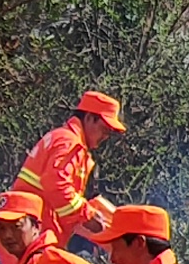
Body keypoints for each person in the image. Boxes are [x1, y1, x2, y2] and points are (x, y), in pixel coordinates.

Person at [9, 90, 127, 245]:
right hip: (28, 232)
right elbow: (56, 185)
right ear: (89, 118)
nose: (105, 137)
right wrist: (87, 216)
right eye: (104, 130)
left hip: (27, 230)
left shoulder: (63, 138)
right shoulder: (69, 142)